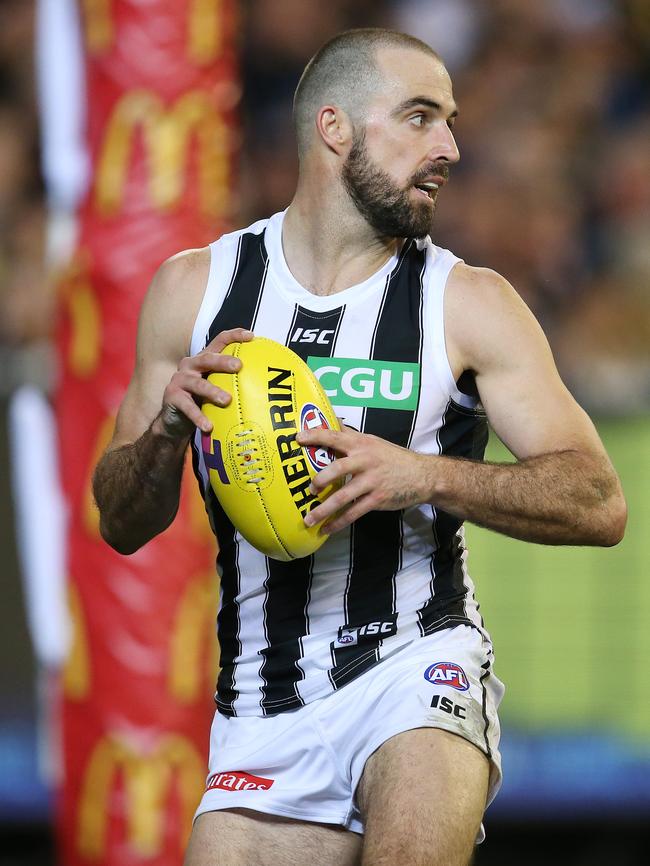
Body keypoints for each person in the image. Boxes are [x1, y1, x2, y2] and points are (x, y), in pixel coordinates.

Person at [93, 28, 627, 866]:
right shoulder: (194, 289)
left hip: (416, 663)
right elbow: (119, 522)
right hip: (261, 703)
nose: (449, 146)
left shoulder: (470, 303)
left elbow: (600, 503)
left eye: (449, 121)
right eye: (419, 117)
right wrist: (163, 435)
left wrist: (419, 475)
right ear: (333, 128)